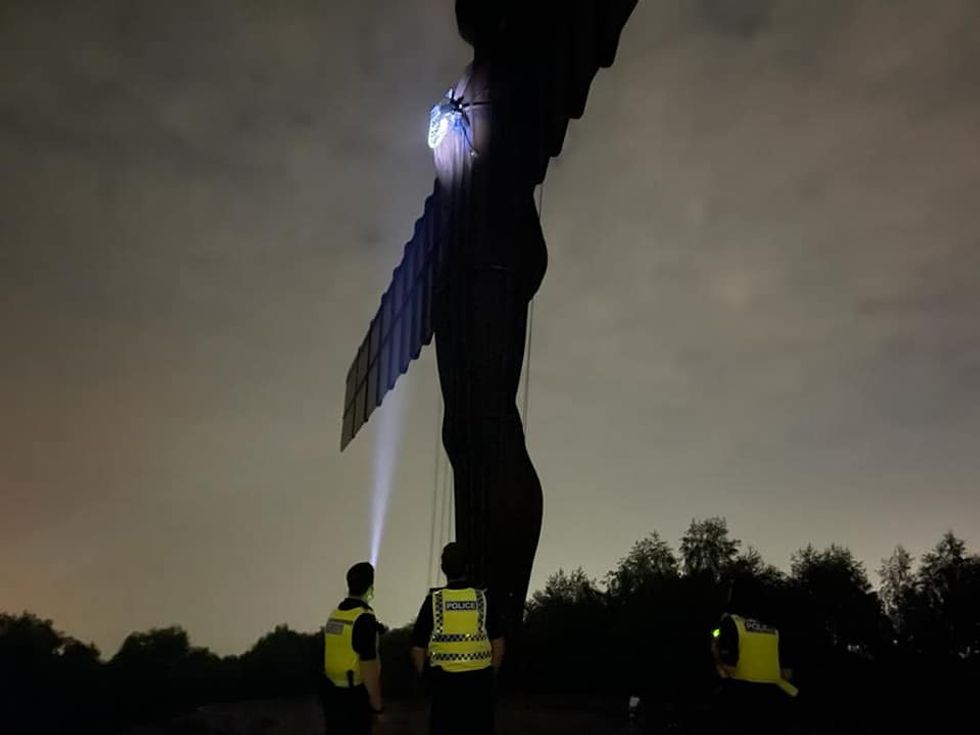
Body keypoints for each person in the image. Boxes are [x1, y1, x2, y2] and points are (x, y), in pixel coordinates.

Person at [412, 543, 504, 735]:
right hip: (479, 686)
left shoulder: (434, 601)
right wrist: (491, 675)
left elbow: (418, 645)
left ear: (443, 568)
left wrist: (426, 677)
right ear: (467, 566)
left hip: (444, 688)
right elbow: (498, 641)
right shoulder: (483, 600)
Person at [710, 580, 798, 735]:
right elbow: (787, 674)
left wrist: (716, 653)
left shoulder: (732, 623)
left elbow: (727, 671)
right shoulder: (775, 628)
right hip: (776, 704)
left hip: (742, 705)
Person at [321, 561, 384, 735]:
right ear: (370, 588)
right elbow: (369, 668)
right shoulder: (363, 618)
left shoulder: (335, 614)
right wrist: (378, 707)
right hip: (354, 699)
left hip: (332, 696)